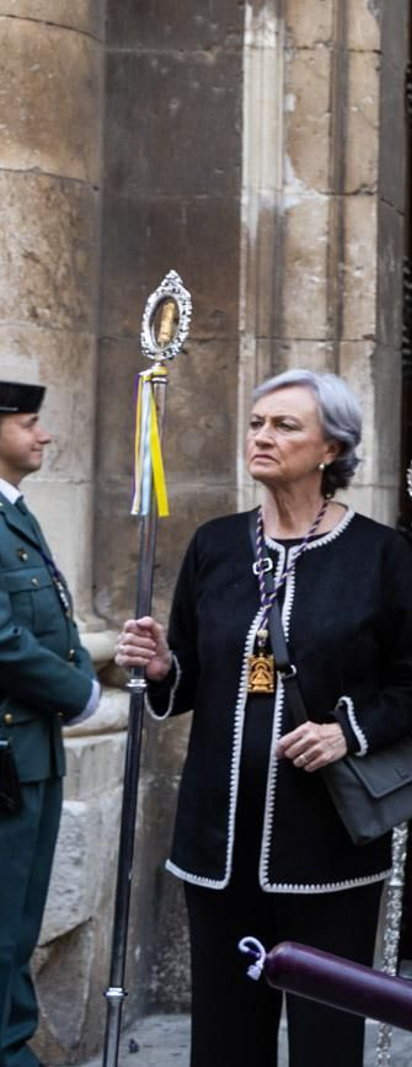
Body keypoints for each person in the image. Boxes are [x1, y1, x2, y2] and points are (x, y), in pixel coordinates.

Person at [114, 370, 412, 1067]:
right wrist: (164, 668)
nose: (262, 435)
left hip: (328, 850)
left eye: (285, 424)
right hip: (218, 846)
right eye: (257, 421)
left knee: (326, 1043)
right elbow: (191, 674)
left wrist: (345, 731)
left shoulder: (378, 553)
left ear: (332, 447)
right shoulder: (215, 545)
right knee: (225, 1042)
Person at [0, 382, 98, 1067]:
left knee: (19, 923)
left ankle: (14, 1042)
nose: (45, 435)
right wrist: (84, 694)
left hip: (35, 752)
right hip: (7, 754)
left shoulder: (15, 514)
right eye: (31, 423)